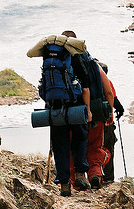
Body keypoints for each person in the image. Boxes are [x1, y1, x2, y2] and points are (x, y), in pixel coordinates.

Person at [27, 31, 92, 196]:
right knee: (80, 139)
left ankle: (64, 185)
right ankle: (80, 174)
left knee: (60, 145)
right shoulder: (75, 56)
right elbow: (85, 87)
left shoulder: (48, 56)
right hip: (75, 106)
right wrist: (88, 110)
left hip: (54, 108)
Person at [100, 64, 124, 183]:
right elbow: (114, 99)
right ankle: (108, 177)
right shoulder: (107, 82)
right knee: (108, 148)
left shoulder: (86, 82)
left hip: (89, 123)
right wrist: (120, 110)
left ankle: (92, 175)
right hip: (106, 124)